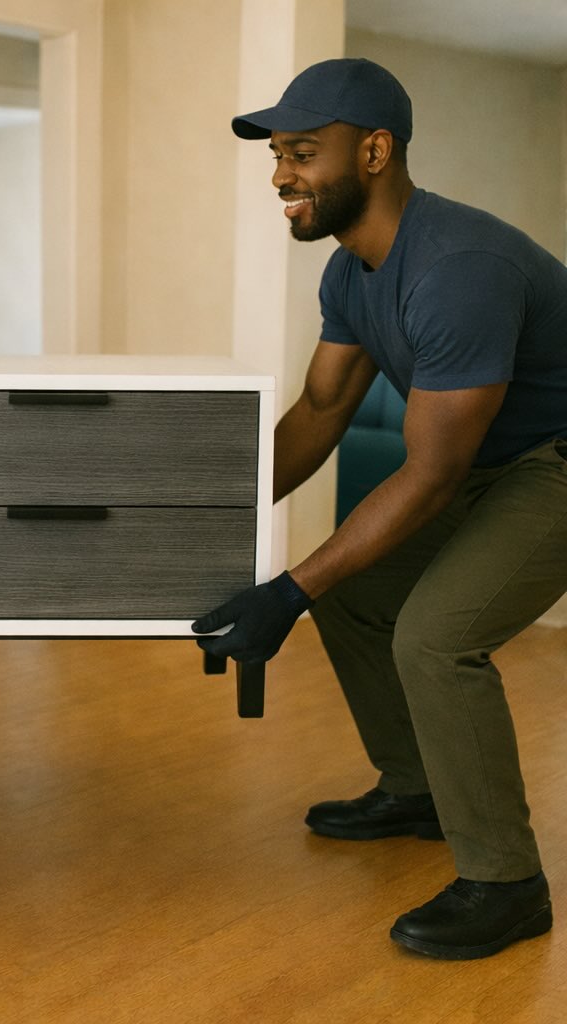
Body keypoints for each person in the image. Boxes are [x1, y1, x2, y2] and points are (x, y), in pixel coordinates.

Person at [193, 58, 567, 959]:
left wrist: (288, 591)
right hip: (493, 461)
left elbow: (431, 476)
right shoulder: (351, 274)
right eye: (277, 155)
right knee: (357, 598)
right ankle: (418, 788)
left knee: (436, 636)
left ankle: (506, 884)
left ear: (373, 151)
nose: (280, 176)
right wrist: (203, 517)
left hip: (553, 463)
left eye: (302, 153)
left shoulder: (459, 269)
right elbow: (320, 413)